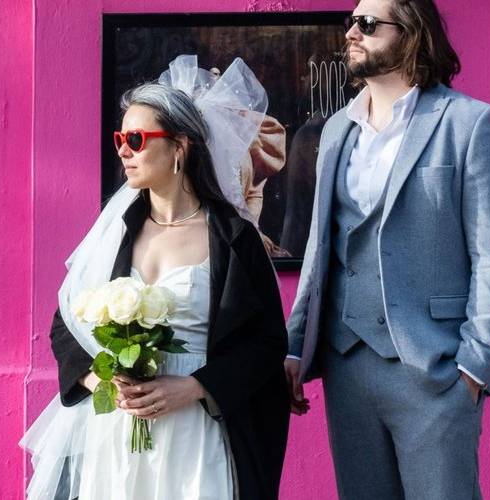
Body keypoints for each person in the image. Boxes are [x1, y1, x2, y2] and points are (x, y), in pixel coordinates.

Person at [20, 56, 289, 500]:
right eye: (120, 138)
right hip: (113, 437)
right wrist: (99, 380)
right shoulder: (115, 233)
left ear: (180, 147)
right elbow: (64, 324)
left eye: (137, 139)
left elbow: (266, 344)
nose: (123, 150)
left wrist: (197, 387)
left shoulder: (234, 238)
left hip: (194, 433)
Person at [284, 0, 490, 498]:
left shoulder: (470, 124)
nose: (352, 32)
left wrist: (474, 368)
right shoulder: (333, 131)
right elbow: (318, 248)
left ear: (412, 34)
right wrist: (295, 345)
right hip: (347, 364)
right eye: (350, 22)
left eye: (368, 24)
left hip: (434, 368)